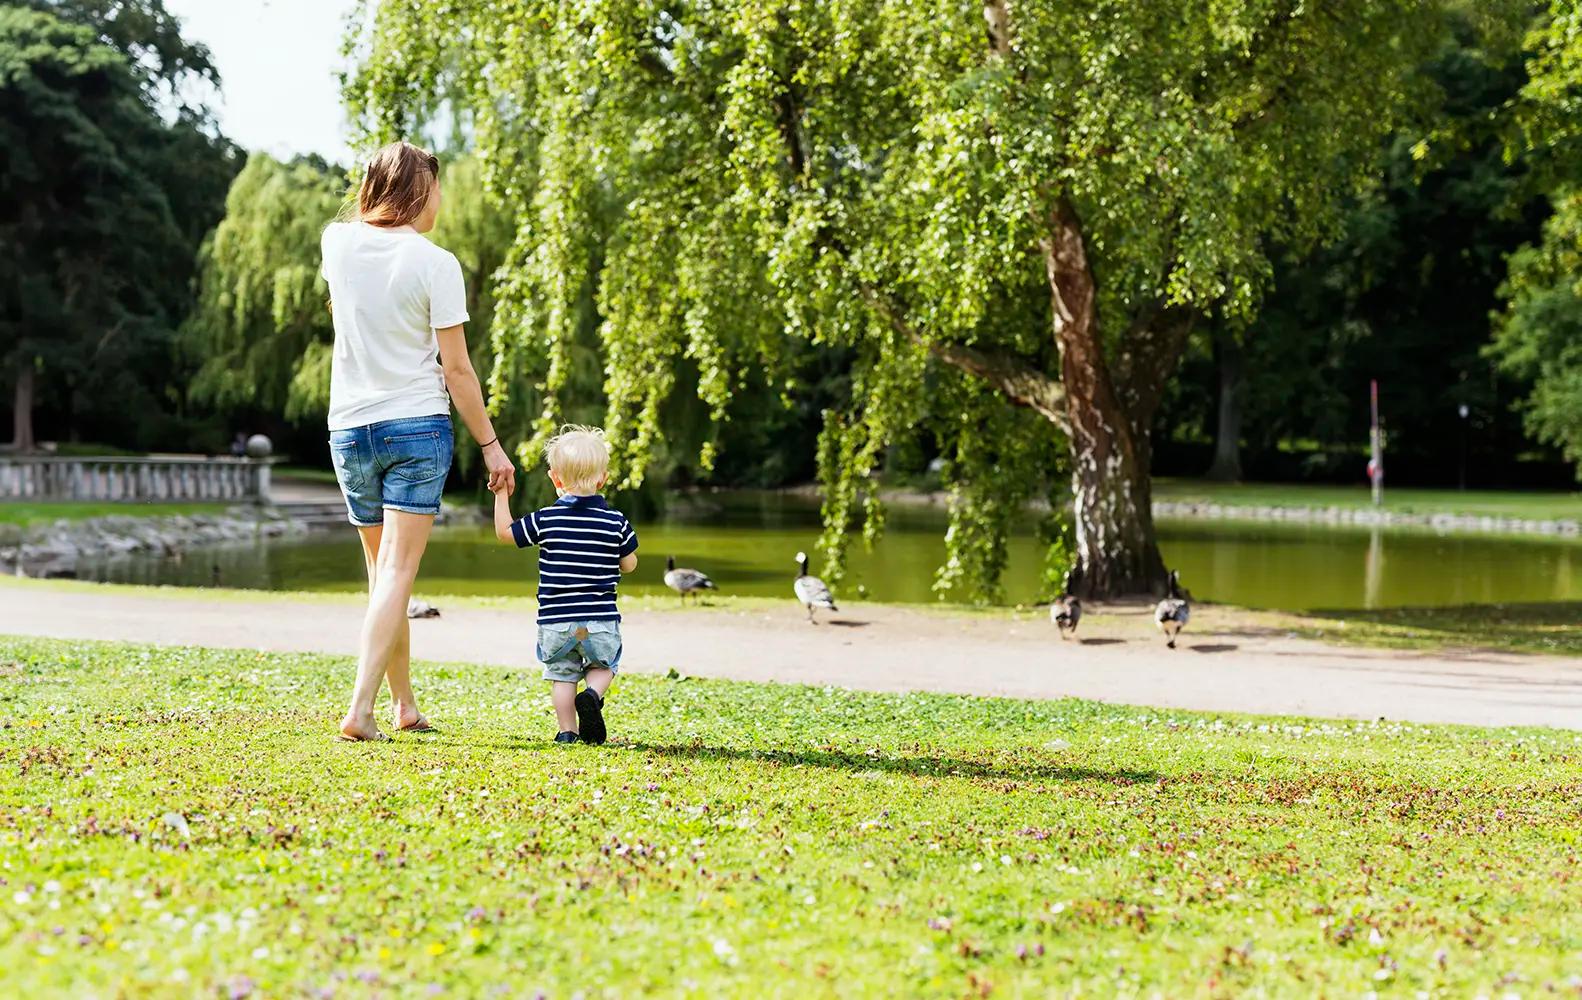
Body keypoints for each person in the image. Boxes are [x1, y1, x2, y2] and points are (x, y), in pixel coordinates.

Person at [322, 140, 515, 742]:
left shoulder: (337, 243)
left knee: (384, 574)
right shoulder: (437, 263)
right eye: (433, 188)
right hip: (414, 424)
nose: (440, 200)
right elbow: (457, 370)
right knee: (398, 574)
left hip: (350, 429)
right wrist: (490, 445)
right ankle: (360, 710)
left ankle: (403, 703)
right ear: (414, 192)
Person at [490, 425, 637, 745]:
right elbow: (630, 563)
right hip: (597, 622)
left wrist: (501, 496)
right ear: (603, 479)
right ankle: (593, 696)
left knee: (562, 675)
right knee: (604, 665)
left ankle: (567, 731)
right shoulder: (616, 521)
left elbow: (506, 533)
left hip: (557, 623)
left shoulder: (546, 519)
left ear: (556, 479)